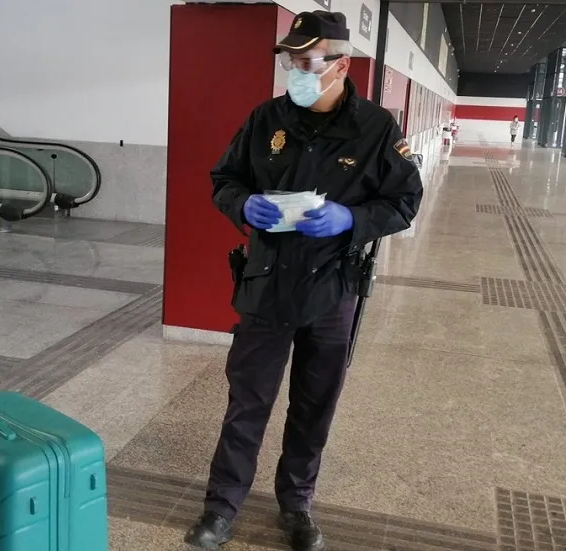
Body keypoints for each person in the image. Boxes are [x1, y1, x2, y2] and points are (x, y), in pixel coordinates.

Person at [184, 11, 423, 551]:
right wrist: (244, 204)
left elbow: (405, 201)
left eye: (308, 61)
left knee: (315, 402)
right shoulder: (266, 119)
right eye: (292, 61)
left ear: (341, 64)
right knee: (248, 400)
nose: (297, 70)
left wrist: (352, 221)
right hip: (266, 281)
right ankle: (222, 508)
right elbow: (224, 179)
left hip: (332, 288)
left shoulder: (375, 128)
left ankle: (296, 505)